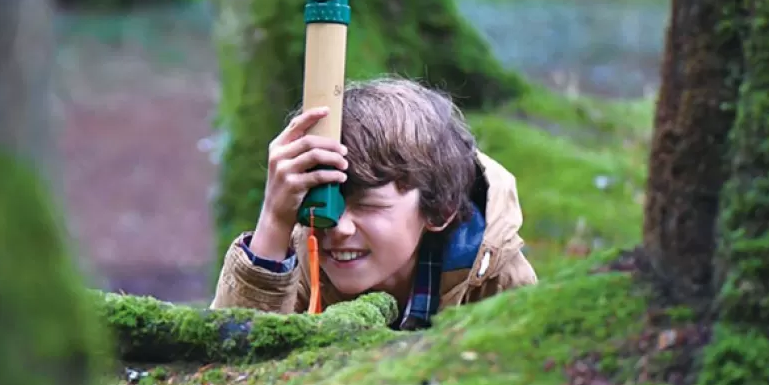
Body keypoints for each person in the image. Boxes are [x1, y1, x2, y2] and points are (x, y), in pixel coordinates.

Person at [211, 77, 537, 328]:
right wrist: (273, 220)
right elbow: (226, 371)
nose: (338, 227)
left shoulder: (494, 277)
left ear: (440, 207)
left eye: (367, 204)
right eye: (327, 200)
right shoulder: (299, 263)